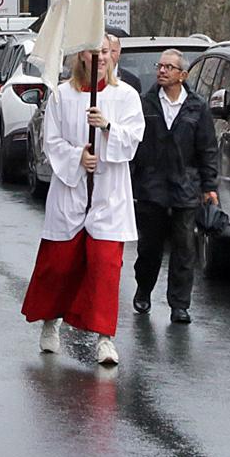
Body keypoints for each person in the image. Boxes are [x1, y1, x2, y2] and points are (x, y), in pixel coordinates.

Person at [21, 36, 144, 366]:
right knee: (60, 263)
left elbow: (133, 139)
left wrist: (107, 128)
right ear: (82, 55)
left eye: (105, 51)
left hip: (109, 195)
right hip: (72, 191)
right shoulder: (64, 95)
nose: (100, 57)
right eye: (94, 51)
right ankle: (50, 321)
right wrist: (78, 157)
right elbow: (52, 139)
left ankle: (105, 337)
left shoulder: (126, 96)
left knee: (105, 266)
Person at [131, 48, 218, 324]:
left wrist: (209, 185)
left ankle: (180, 305)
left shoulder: (197, 107)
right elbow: (134, 145)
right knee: (150, 246)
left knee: (184, 248)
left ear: (183, 75)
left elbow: (207, 148)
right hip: (151, 186)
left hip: (185, 186)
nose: (162, 70)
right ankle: (144, 289)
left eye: (169, 67)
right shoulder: (145, 104)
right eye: (160, 66)